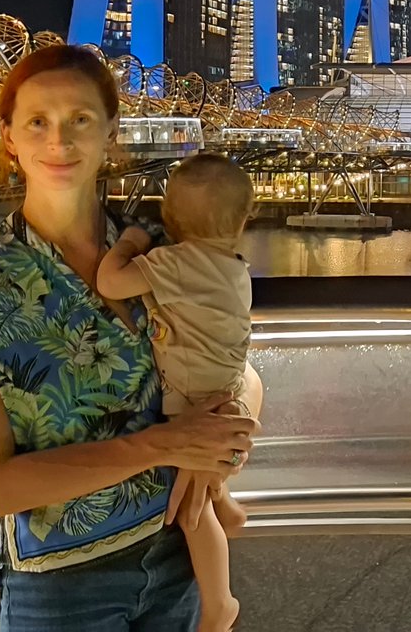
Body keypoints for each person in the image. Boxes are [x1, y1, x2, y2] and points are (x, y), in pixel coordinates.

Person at [0, 45, 259, 631]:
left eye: (79, 119)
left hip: (178, 557)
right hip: (57, 587)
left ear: (110, 133)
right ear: (9, 137)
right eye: (38, 121)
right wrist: (168, 445)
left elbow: (242, 370)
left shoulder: (160, 247)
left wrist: (221, 438)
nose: (59, 140)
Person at [98, 153, 261, 632]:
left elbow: (110, 282)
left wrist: (130, 242)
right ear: (243, 220)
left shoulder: (178, 262)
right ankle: (227, 504)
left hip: (194, 400)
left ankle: (219, 602)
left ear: (170, 220)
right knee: (203, 486)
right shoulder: (233, 267)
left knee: (191, 513)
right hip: (226, 385)